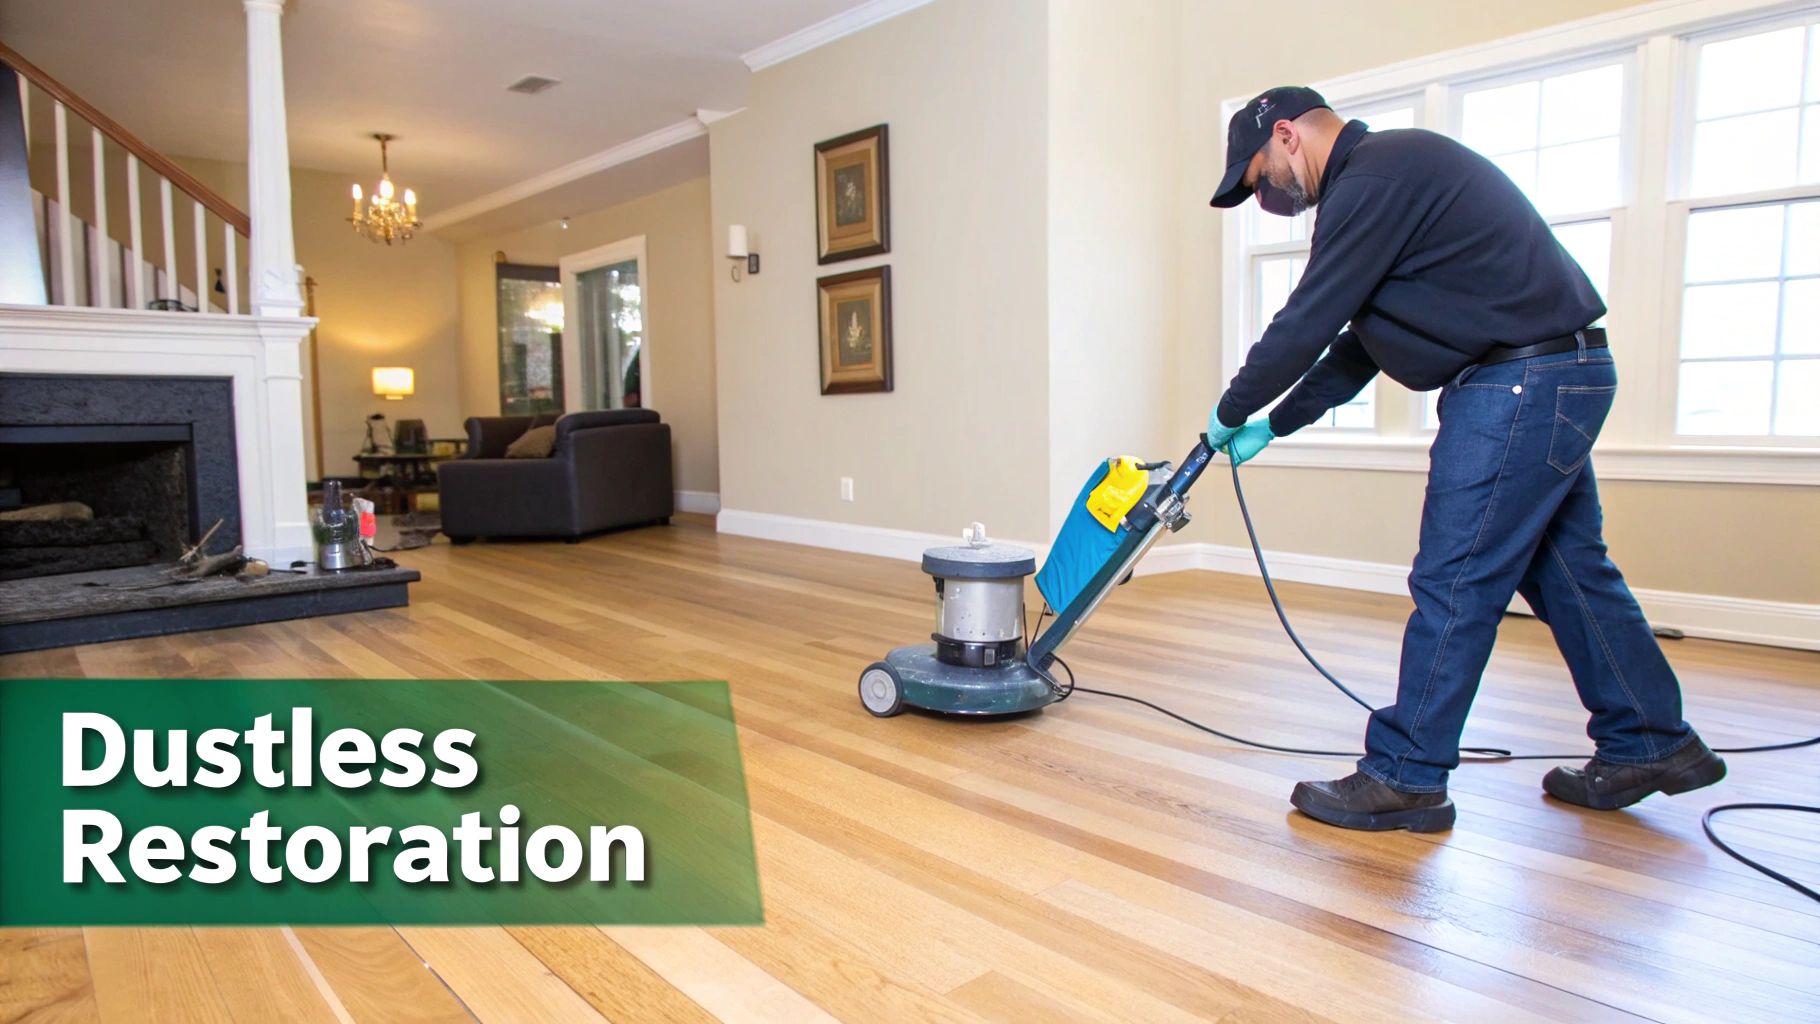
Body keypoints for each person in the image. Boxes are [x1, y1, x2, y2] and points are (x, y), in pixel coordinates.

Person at [1205, 87, 1726, 832]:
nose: (1266, 197)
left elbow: (1308, 319)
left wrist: (1230, 411)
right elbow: (1358, 344)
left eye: (1258, 177)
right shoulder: (1391, 176)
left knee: (1455, 579)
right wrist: (1276, 423)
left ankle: (1406, 776)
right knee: (1571, 573)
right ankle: (1652, 739)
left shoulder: (1371, 180)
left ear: (1286, 136)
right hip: (1555, 374)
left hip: (1518, 380)